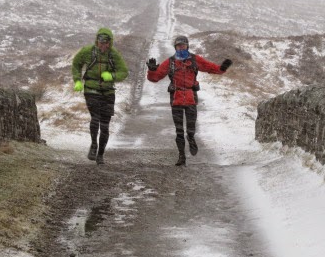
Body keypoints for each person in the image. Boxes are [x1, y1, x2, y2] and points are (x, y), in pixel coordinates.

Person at [146, 35, 232, 166]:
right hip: (176, 99)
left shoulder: (194, 59)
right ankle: (181, 157)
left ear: (187, 46)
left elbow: (209, 67)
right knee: (179, 130)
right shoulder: (170, 62)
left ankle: (191, 138)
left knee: (191, 128)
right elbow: (155, 78)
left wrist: (222, 69)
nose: (181, 48)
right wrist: (152, 70)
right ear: (175, 48)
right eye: (179, 46)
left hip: (191, 97)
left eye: (183, 45)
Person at [72, 27, 128, 164]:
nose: (103, 45)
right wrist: (78, 80)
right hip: (91, 89)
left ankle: (101, 154)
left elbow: (124, 72)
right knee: (95, 118)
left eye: (106, 43)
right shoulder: (88, 52)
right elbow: (76, 63)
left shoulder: (113, 55)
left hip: (108, 92)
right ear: (97, 41)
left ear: (110, 42)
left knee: (105, 125)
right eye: (101, 42)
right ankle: (93, 145)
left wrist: (111, 76)